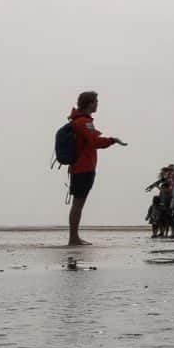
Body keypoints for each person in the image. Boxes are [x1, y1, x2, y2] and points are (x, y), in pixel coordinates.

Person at [61, 91, 124, 250]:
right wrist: (112, 140)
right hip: (83, 167)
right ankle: (73, 238)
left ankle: (74, 237)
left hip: (81, 167)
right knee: (78, 204)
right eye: (96, 101)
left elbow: (91, 141)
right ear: (89, 103)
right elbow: (94, 141)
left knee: (78, 204)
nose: (97, 104)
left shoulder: (80, 121)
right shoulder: (83, 122)